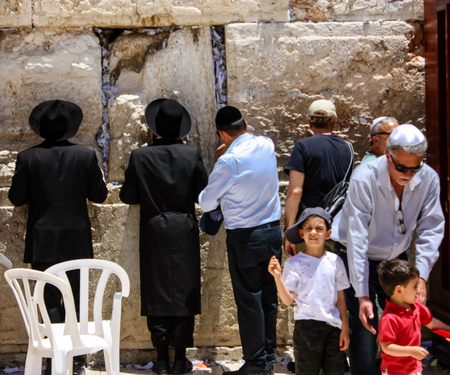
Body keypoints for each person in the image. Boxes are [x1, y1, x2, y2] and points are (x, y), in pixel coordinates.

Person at [333, 124, 445, 375]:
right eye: (401, 167)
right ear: (387, 155)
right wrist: (362, 294)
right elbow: (357, 236)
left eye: (414, 167)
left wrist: (421, 278)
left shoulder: (428, 178)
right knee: (364, 325)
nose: (408, 174)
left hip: (396, 257)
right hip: (355, 252)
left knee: (407, 316)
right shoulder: (365, 176)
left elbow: (431, 228)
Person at [8, 99, 108, 374]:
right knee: (75, 297)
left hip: (43, 240)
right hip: (77, 239)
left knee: (48, 299)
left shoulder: (28, 158)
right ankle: (76, 357)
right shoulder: (86, 156)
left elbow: (16, 198)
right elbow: (99, 195)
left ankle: (56, 356)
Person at [120, 99, 208, 375]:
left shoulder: (139, 156)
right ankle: (181, 359)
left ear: (153, 129)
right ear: (181, 130)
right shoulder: (191, 155)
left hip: (154, 230)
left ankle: (160, 359)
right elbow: (202, 195)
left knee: (156, 291)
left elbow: (128, 196)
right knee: (184, 292)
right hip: (183, 229)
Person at [199, 106, 281, 375]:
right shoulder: (266, 145)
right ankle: (268, 358)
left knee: (249, 301)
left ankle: (256, 365)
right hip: (272, 233)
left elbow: (207, 200)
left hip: (245, 238)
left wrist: (221, 157)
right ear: (245, 124)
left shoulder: (228, 161)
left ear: (222, 135)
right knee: (269, 298)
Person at [268, 207, 350, 375]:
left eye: (319, 228)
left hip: (333, 328)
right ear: (301, 233)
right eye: (308, 228)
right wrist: (277, 277)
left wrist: (345, 329)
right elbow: (288, 300)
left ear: (328, 234)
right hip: (306, 328)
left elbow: (341, 299)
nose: (313, 232)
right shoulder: (294, 263)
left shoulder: (336, 261)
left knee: (336, 371)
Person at [284, 99, 353, 257]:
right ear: (334, 121)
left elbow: (295, 192)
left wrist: (289, 231)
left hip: (310, 230)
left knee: (307, 278)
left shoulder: (302, 147)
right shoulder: (348, 148)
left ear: (309, 122)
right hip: (337, 231)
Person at [377, 259, 450, 375]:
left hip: (414, 367)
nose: (419, 290)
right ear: (399, 290)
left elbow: (432, 323)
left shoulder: (416, 307)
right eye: (415, 286)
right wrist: (411, 350)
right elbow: (386, 347)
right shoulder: (389, 318)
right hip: (394, 371)